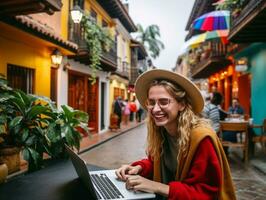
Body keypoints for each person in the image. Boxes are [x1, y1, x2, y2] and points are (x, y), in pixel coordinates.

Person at [115, 69, 236, 200]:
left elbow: (206, 193)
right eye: (151, 102)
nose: (155, 109)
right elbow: (156, 163)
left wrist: (157, 186)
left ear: (182, 104)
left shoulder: (201, 138)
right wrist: (139, 167)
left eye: (164, 102)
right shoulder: (161, 130)